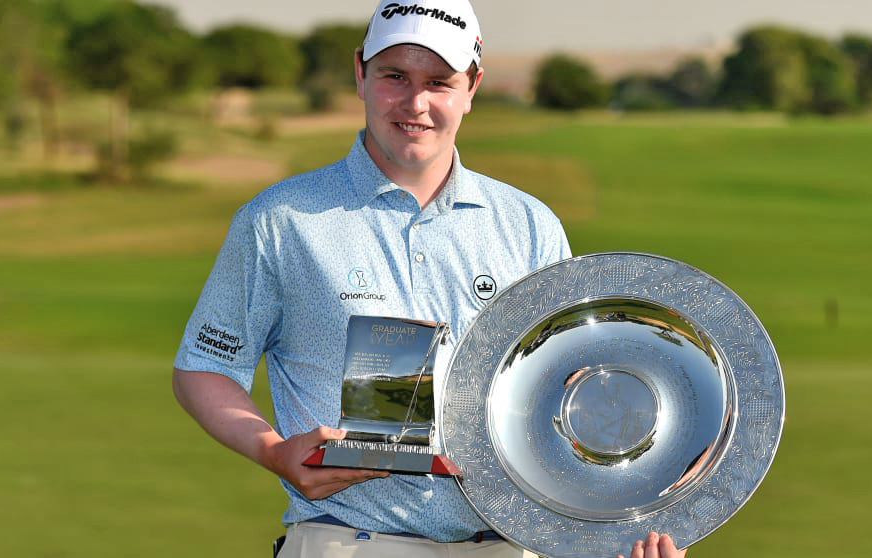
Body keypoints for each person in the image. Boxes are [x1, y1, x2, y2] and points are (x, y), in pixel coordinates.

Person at [172, 1, 686, 557]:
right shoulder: (280, 219)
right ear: (360, 74)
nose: (414, 103)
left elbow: (570, 395)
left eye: (439, 82)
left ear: (472, 87)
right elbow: (205, 367)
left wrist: (619, 528)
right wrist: (273, 451)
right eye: (395, 76)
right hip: (348, 542)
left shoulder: (529, 225)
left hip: (507, 546)